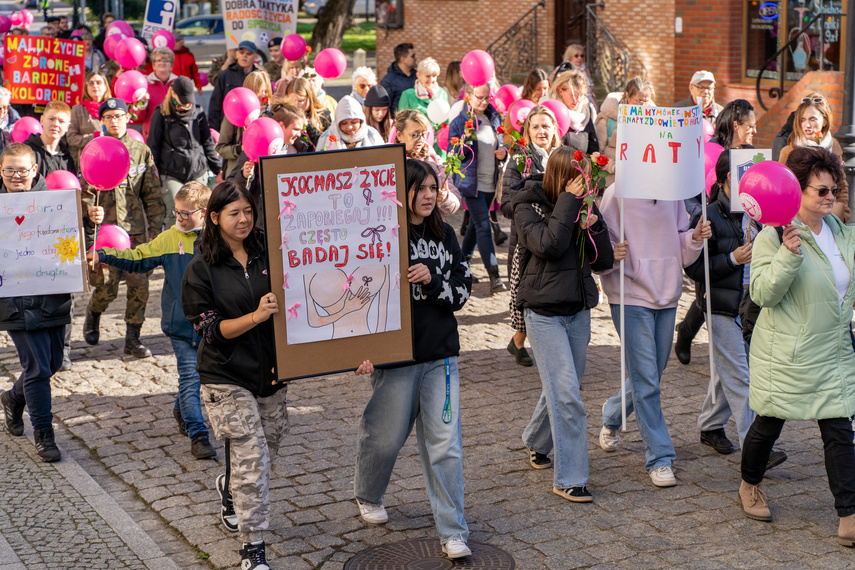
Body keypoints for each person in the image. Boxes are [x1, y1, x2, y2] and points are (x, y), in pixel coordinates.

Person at [353, 159, 472, 559]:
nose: (427, 195)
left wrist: (433, 280)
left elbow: (462, 293)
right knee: (384, 436)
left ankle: (453, 531)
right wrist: (361, 351)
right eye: (418, 188)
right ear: (400, 192)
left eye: (432, 188)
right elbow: (362, 293)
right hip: (396, 358)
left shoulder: (447, 235)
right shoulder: (380, 235)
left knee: (445, 445)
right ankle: (368, 492)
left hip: (441, 356)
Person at [738, 147, 855, 548]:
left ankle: (849, 515)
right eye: (821, 190)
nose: (831, 196)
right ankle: (749, 484)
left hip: (833, 350)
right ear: (798, 191)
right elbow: (763, 294)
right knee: (768, 424)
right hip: (787, 353)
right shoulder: (774, 235)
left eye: (834, 189)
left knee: (839, 431)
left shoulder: (840, 230)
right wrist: (788, 255)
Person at [182, 180, 288, 570]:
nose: (244, 219)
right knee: (252, 459)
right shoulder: (200, 270)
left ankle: (231, 489)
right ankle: (253, 548)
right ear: (214, 218)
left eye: (248, 211)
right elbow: (210, 330)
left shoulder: (271, 252)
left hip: (273, 373)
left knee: (267, 453)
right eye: (234, 213)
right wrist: (256, 316)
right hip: (224, 376)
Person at [514, 147, 614, 500]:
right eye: (581, 177)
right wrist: (571, 205)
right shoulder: (528, 207)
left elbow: (604, 262)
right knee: (568, 393)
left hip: (578, 310)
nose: (588, 183)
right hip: (542, 314)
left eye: (590, 177)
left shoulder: (584, 205)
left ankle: (536, 440)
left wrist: (595, 225)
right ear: (563, 177)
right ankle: (569, 478)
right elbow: (550, 244)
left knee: (562, 387)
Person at [597, 177, 710, 488]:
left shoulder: (671, 193)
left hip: (666, 292)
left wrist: (695, 238)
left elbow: (679, 241)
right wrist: (611, 254)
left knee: (652, 372)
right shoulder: (616, 193)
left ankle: (613, 414)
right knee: (646, 378)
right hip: (630, 294)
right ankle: (659, 457)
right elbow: (601, 244)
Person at [92, 182, 216, 459]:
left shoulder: (219, 239)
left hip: (212, 326)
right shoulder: (169, 238)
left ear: (205, 213)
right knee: (189, 376)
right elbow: (136, 258)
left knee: (200, 376)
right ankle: (198, 434)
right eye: (176, 212)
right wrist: (103, 254)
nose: (179, 219)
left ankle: (180, 407)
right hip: (181, 324)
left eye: (186, 214)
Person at [675, 98, 758, 367]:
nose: (754, 131)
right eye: (750, 125)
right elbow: (691, 183)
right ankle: (686, 333)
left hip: (740, 223)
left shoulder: (750, 155)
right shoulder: (711, 150)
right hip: (715, 221)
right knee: (710, 289)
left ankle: (692, 332)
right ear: (736, 125)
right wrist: (697, 215)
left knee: (722, 291)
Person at [81, 98, 166, 359]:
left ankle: (133, 338)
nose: (114, 121)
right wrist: (88, 212)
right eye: (108, 117)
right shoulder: (93, 150)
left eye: (119, 116)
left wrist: (154, 231)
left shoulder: (141, 152)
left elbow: (152, 196)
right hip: (105, 232)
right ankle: (94, 313)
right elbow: (84, 192)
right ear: (102, 121)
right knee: (106, 287)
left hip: (135, 232)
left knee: (140, 286)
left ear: (127, 118)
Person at [0, 143, 66, 462]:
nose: (15, 175)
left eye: (21, 170)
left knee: (51, 363)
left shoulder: (55, 205)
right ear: (1, 171)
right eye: (9, 170)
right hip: (12, 300)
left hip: (50, 295)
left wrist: (88, 221)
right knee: (37, 367)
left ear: (34, 171)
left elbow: (69, 243)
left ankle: (13, 398)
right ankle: (44, 434)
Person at [501, 105, 562, 367]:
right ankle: (519, 341)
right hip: (527, 240)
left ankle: (521, 341)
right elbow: (505, 203)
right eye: (535, 126)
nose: (541, 131)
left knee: (550, 292)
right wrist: (533, 195)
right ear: (527, 130)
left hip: (558, 235)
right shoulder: (518, 160)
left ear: (554, 129)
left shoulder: (563, 157)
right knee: (528, 294)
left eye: (545, 126)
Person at [449, 83, 508, 294]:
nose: (483, 102)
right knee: (484, 226)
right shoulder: (460, 122)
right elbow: (453, 155)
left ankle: (460, 266)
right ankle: (494, 276)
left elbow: (501, 144)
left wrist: (504, 152)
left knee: (475, 226)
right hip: (471, 184)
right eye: (479, 98)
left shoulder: (494, 118)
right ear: (468, 97)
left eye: (486, 98)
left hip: (491, 182)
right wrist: (465, 138)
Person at [147, 76, 221, 228]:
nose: (187, 103)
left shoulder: (198, 113)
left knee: (200, 214)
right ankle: (174, 249)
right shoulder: (161, 115)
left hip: (197, 171)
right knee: (177, 214)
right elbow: (153, 147)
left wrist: (217, 169)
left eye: (189, 99)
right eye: (183, 99)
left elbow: (207, 143)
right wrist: (155, 176)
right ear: (173, 94)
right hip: (172, 173)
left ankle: (201, 249)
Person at [230, 101, 308, 220]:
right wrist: (244, 175)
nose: (299, 134)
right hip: (263, 223)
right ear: (281, 126)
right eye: (296, 129)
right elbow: (231, 186)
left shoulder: (300, 149)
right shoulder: (257, 148)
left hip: (292, 219)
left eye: (301, 130)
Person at [778, 93, 850, 222]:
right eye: (802, 119)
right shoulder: (789, 151)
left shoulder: (834, 146)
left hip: (831, 219)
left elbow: (842, 186)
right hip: (801, 222)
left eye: (812, 119)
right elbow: (783, 191)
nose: (807, 125)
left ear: (824, 121)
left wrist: (841, 214)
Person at [394, 109, 460, 214]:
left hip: (432, 226)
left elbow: (455, 204)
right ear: (399, 135)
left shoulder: (434, 160)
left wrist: (445, 198)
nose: (421, 139)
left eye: (424, 134)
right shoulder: (391, 163)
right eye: (415, 135)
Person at [594, 77, 654, 186]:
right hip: (612, 185)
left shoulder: (655, 122)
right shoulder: (607, 121)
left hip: (640, 185)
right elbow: (595, 155)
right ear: (627, 96)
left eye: (646, 101)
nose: (643, 106)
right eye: (639, 101)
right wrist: (613, 166)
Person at [216, 71, 272, 178]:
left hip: (261, 174)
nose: (263, 95)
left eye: (266, 91)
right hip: (237, 173)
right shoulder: (235, 112)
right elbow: (221, 148)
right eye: (260, 91)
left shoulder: (270, 112)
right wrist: (241, 149)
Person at [208, 41, 263, 137]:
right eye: (241, 52)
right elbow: (215, 104)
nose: (244, 56)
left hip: (253, 127)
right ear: (236, 54)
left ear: (256, 56)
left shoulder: (259, 76)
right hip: (228, 126)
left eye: (249, 53)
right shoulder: (226, 75)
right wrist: (215, 129)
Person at [68, 71, 111, 168]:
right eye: (91, 83)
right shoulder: (77, 109)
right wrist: (93, 137)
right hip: (88, 162)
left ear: (105, 86)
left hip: (110, 159)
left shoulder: (112, 109)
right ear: (86, 87)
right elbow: (71, 138)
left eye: (98, 82)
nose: (94, 86)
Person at [550, 70, 599, 155]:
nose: (578, 100)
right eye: (573, 95)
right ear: (560, 91)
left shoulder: (585, 112)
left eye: (581, 95)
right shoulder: (551, 111)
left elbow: (593, 147)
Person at [23, 101, 74, 177]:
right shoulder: (26, 151)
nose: (56, 124)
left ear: (67, 127)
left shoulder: (67, 160)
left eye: (61, 121)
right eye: (51, 119)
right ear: (42, 120)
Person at [316, 95, 385, 151]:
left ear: (361, 121)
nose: (349, 127)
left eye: (354, 122)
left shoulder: (372, 135)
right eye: (344, 123)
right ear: (337, 123)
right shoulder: (326, 138)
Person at [138, 47, 178, 138]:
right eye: (158, 60)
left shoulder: (179, 83)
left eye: (166, 61)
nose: (162, 63)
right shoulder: (145, 84)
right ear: (153, 65)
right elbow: (138, 117)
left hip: (175, 135)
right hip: (152, 135)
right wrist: (142, 102)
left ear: (171, 65)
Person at [284, 77, 331, 149]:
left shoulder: (323, 115)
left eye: (300, 101)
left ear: (310, 97)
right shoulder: (284, 115)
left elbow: (326, 145)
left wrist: (309, 127)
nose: (296, 105)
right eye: (292, 101)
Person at [379, 42, 417, 113]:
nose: (415, 58)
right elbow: (384, 106)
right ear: (403, 60)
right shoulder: (389, 80)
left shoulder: (418, 76)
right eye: (412, 56)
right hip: (398, 121)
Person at [562, 44, 596, 111]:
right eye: (576, 56)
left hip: (588, 103)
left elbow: (592, 91)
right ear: (570, 56)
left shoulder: (586, 70)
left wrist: (595, 105)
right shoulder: (563, 70)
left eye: (582, 56)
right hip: (573, 105)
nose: (579, 58)